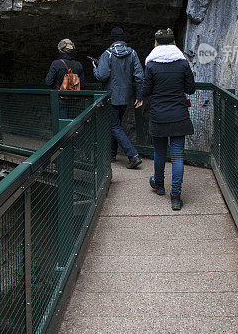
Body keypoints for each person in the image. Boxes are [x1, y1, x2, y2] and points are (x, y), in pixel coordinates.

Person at [142, 28, 195, 210]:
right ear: (173, 42)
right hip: (179, 115)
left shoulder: (151, 65)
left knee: (159, 152)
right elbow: (191, 88)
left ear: (156, 43)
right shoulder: (182, 63)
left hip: (159, 115)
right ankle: (175, 196)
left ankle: (158, 185)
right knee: (178, 155)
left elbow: (146, 90)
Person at [93, 26, 143, 168]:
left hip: (111, 96)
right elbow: (140, 76)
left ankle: (133, 155)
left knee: (114, 126)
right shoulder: (132, 53)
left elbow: (102, 76)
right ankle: (112, 154)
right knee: (116, 125)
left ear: (112, 39)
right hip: (125, 96)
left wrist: (94, 67)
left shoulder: (107, 54)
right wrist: (139, 95)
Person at [45, 39, 85, 119]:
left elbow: (48, 82)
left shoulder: (56, 64)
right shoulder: (78, 65)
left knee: (61, 122)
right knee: (73, 122)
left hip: (59, 99)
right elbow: (83, 84)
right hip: (74, 100)